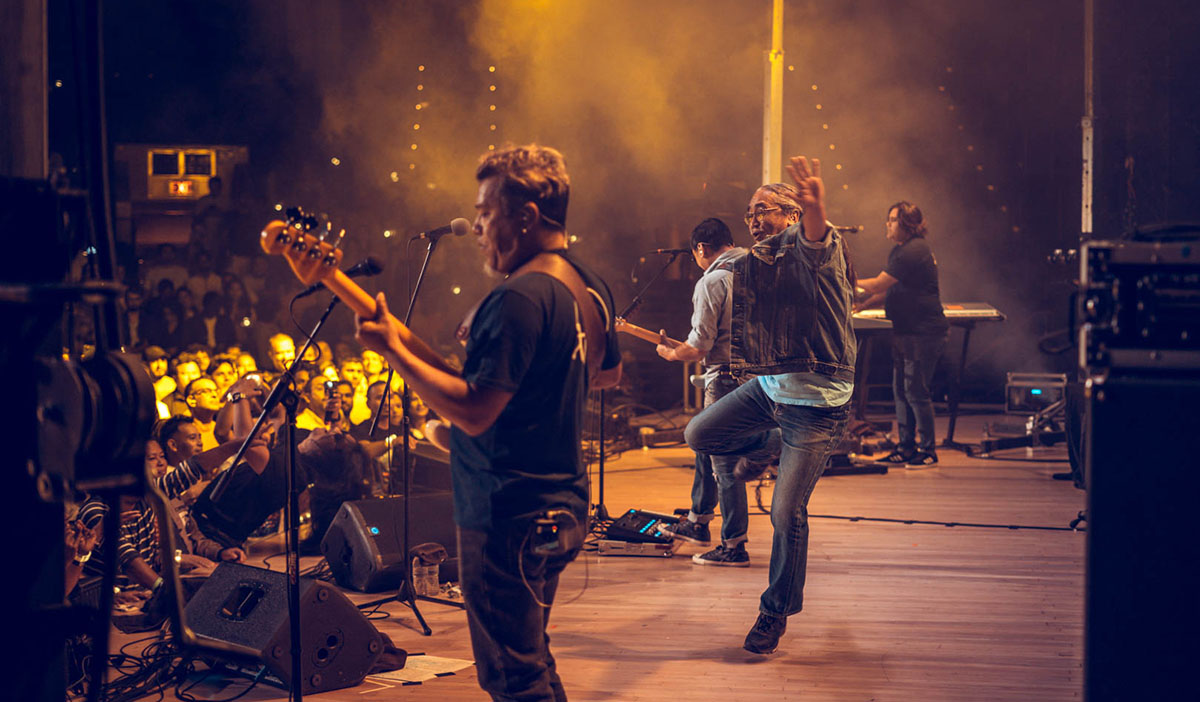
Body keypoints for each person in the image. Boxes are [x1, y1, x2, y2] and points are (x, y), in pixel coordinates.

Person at [353, 144, 621, 702]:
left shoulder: (517, 297)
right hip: (561, 501)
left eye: (485, 211)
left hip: (508, 515)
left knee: (512, 677)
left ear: (524, 218)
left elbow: (475, 409)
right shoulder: (585, 285)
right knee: (531, 660)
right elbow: (606, 374)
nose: (476, 227)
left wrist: (395, 355)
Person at [685, 156, 856, 655]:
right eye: (750, 211)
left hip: (817, 403)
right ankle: (777, 447)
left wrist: (817, 206)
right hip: (771, 389)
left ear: (794, 215)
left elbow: (816, 242)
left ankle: (774, 612)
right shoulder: (754, 263)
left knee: (786, 513)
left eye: (766, 210)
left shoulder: (813, 249)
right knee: (701, 434)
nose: (754, 218)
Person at [655, 218, 760, 566]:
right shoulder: (759, 268)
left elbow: (699, 347)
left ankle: (734, 546)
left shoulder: (712, 281)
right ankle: (699, 521)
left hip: (726, 379)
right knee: (705, 442)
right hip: (760, 378)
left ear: (701, 248)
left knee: (725, 464)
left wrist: (673, 353)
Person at [856, 201, 948, 465]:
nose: (888, 224)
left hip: (923, 333)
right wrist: (863, 304)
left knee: (915, 390)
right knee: (901, 389)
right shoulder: (902, 251)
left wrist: (846, 279)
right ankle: (906, 447)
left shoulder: (913, 249)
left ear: (908, 224)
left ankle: (928, 450)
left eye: (893, 219)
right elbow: (892, 291)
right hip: (907, 332)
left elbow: (879, 283)